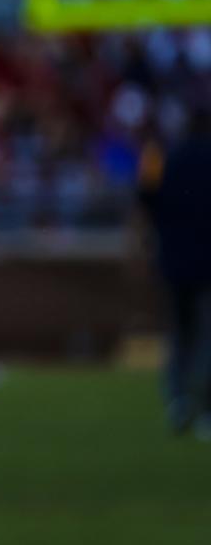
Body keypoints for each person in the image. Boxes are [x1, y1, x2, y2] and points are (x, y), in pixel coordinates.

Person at [139, 107, 211, 439]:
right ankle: (205, 407)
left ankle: (178, 400)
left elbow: (145, 201)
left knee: (179, 335)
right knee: (205, 337)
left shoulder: (164, 159)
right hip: (205, 262)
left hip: (173, 261)